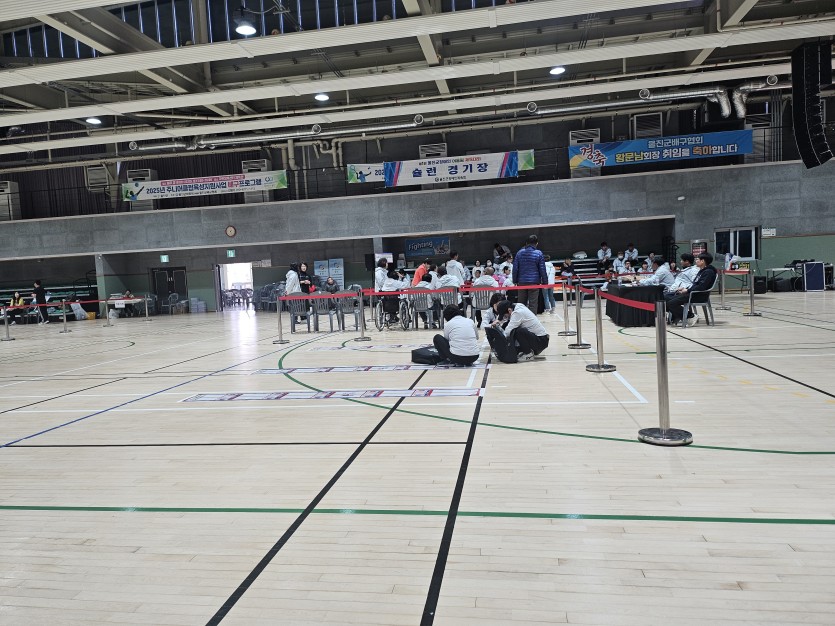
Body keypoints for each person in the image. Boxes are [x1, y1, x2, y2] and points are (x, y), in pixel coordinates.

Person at [667, 253, 718, 326]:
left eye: (697, 259)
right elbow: (695, 284)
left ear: (702, 261)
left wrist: (687, 290)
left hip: (698, 295)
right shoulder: (702, 271)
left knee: (671, 303)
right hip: (692, 293)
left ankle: (691, 316)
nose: (695, 261)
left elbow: (701, 286)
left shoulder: (708, 272)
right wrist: (685, 289)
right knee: (666, 298)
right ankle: (678, 315)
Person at [512, 235, 547, 314]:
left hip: (521, 282)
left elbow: (515, 268)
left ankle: (521, 319)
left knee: (521, 304)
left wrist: (515, 280)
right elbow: (542, 269)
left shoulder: (519, 253)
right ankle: (532, 320)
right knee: (533, 304)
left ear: (526, 243)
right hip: (534, 282)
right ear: (537, 243)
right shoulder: (539, 253)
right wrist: (545, 282)